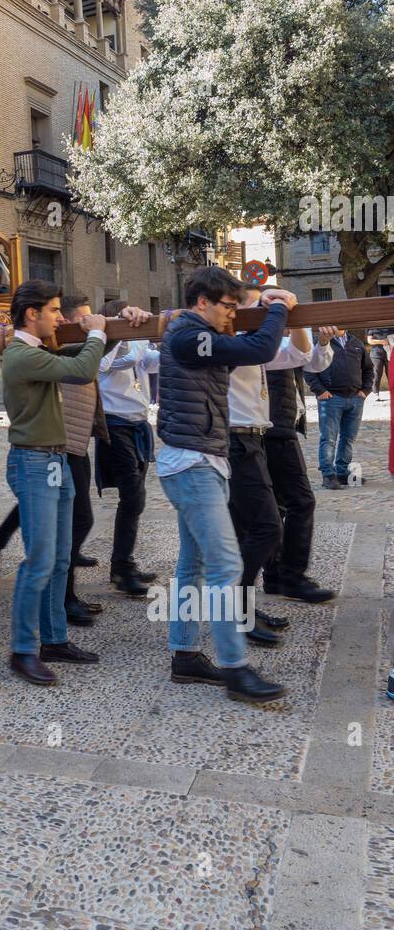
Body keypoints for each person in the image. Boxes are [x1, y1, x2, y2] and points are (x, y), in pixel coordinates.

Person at [157, 267, 290, 704]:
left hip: (201, 460)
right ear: (202, 303)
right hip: (192, 463)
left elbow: (246, 352)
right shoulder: (186, 337)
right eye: (228, 307)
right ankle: (236, 669)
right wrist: (276, 309)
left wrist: (258, 307)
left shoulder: (194, 335)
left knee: (193, 566)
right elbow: (262, 345)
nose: (233, 315)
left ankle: (185, 656)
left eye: (237, 307)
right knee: (225, 567)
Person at [2, 281, 127, 685]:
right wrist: (95, 331)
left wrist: (113, 325)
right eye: (54, 310)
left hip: (55, 460)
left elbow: (87, 355)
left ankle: (53, 640)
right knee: (38, 561)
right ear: (31, 314)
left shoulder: (40, 352)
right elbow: (81, 368)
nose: (59, 317)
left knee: (58, 559)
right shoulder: (20, 355)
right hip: (34, 463)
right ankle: (22, 651)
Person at [226, 290, 336, 643]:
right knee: (256, 528)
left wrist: (291, 314)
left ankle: (246, 605)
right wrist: (278, 311)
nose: (266, 310)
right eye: (256, 304)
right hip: (235, 442)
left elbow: (300, 355)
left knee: (260, 526)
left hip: (254, 438)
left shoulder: (254, 345)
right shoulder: (234, 344)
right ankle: (238, 610)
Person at [264, 325, 339, 604]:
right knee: (301, 501)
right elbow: (301, 357)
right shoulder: (264, 341)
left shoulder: (279, 339)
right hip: (274, 428)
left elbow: (314, 363)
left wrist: (321, 342)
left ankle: (274, 574)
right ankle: (292, 576)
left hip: (281, 424)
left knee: (279, 504)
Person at [96, 298, 161, 599]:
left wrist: (161, 335)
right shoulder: (107, 348)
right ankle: (122, 568)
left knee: (136, 498)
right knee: (132, 498)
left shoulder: (135, 346)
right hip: (115, 425)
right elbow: (122, 360)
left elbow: (151, 360)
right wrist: (135, 333)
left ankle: (123, 565)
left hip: (138, 425)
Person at [304, 327, 372, 488]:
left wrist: (365, 390)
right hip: (331, 399)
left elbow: (368, 368)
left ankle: (342, 472)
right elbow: (308, 369)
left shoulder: (356, 343)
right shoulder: (320, 343)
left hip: (355, 398)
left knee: (348, 438)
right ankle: (328, 475)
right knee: (328, 439)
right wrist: (320, 390)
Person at [366, 326, 393, 397]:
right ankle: (375, 393)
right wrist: (382, 342)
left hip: (390, 352)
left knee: (391, 374)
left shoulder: (391, 326)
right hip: (376, 353)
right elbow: (369, 341)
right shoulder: (372, 327)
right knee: (376, 373)